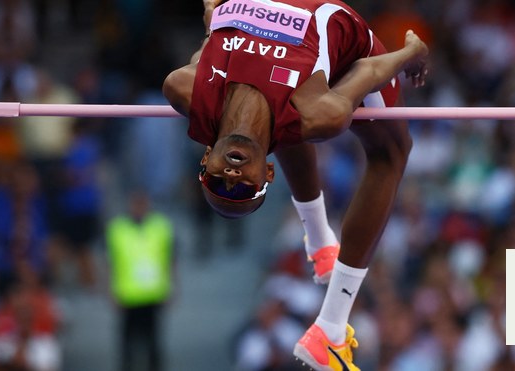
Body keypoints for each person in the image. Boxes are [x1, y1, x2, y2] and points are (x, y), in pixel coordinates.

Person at [162, 0, 429, 369]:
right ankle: (331, 329)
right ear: (267, 173)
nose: (233, 177)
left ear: (206, 158)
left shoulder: (184, 88)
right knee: (392, 152)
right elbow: (367, 70)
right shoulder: (321, 112)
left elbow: (209, 47)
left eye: (219, 182)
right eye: (242, 188)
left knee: (277, 123)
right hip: (347, 48)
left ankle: (321, 246)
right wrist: (411, 53)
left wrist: (213, 17)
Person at [105, 192, 175, 371]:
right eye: (135, 204)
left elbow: (170, 259)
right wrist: (110, 290)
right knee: (127, 339)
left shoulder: (161, 226)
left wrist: (171, 286)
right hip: (127, 293)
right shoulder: (117, 229)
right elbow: (110, 262)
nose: (139, 208)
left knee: (152, 339)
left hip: (153, 292)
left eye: (142, 203)